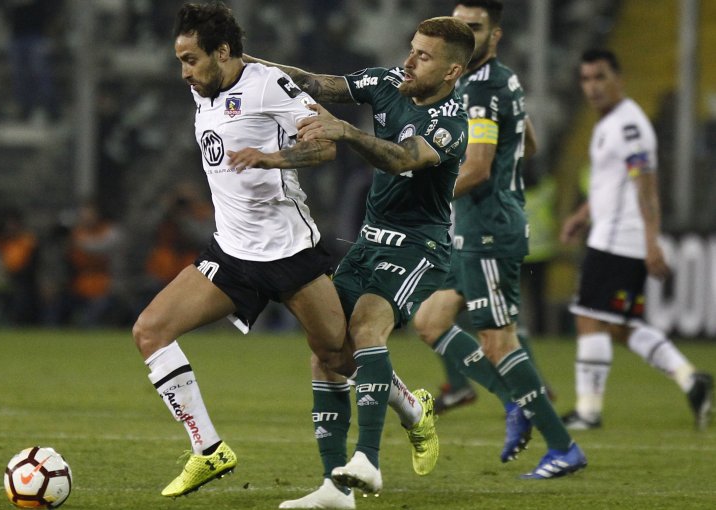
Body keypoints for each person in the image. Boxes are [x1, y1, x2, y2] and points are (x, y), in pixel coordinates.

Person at [133, 3, 358, 499]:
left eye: (191, 59)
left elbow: (326, 147)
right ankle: (208, 449)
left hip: (288, 250)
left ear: (223, 52)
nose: (184, 71)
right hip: (232, 252)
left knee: (339, 358)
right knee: (150, 331)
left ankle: (411, 405)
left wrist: (271, 156)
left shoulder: (266, 85)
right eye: (180, 60)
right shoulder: (207, 84)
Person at [247, 15, 474, 505]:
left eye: (424, 56)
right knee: (329, 352)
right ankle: (337, 486)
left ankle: (367, 460)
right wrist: (243, 62)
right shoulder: (390, 81)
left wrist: (347, 132)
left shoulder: (452, 122)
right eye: (411, 49)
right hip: (369, 241)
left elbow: (402, 159)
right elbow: (311, 82)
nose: (409, 61)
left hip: (419, 246)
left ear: (452, 72)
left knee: (366, 329)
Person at [405, 1, 587, 481]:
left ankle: (562, 445)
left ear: (495, 34)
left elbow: (480, 166)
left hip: (486, 230)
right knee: (429, 320)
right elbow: (529, 143)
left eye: (475, 27)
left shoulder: (482, 87)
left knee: (497, 341)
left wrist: (425, 191)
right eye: (459, 25)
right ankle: (515, 398)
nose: (465, 33)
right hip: (475, 227)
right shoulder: (497, 79)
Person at [560, 48, 713, 431]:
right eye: (586, 79)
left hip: (617, 239)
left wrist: (651, 242)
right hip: (612, 232)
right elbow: (610, 186)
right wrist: (581, 216)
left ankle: (589, 411)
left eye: (600, 77)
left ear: (619, 80)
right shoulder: (610, 124)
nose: (592, 87)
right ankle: (689, 378)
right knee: (620, 325)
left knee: (587, 318)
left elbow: (646, 186)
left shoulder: (629, 126)